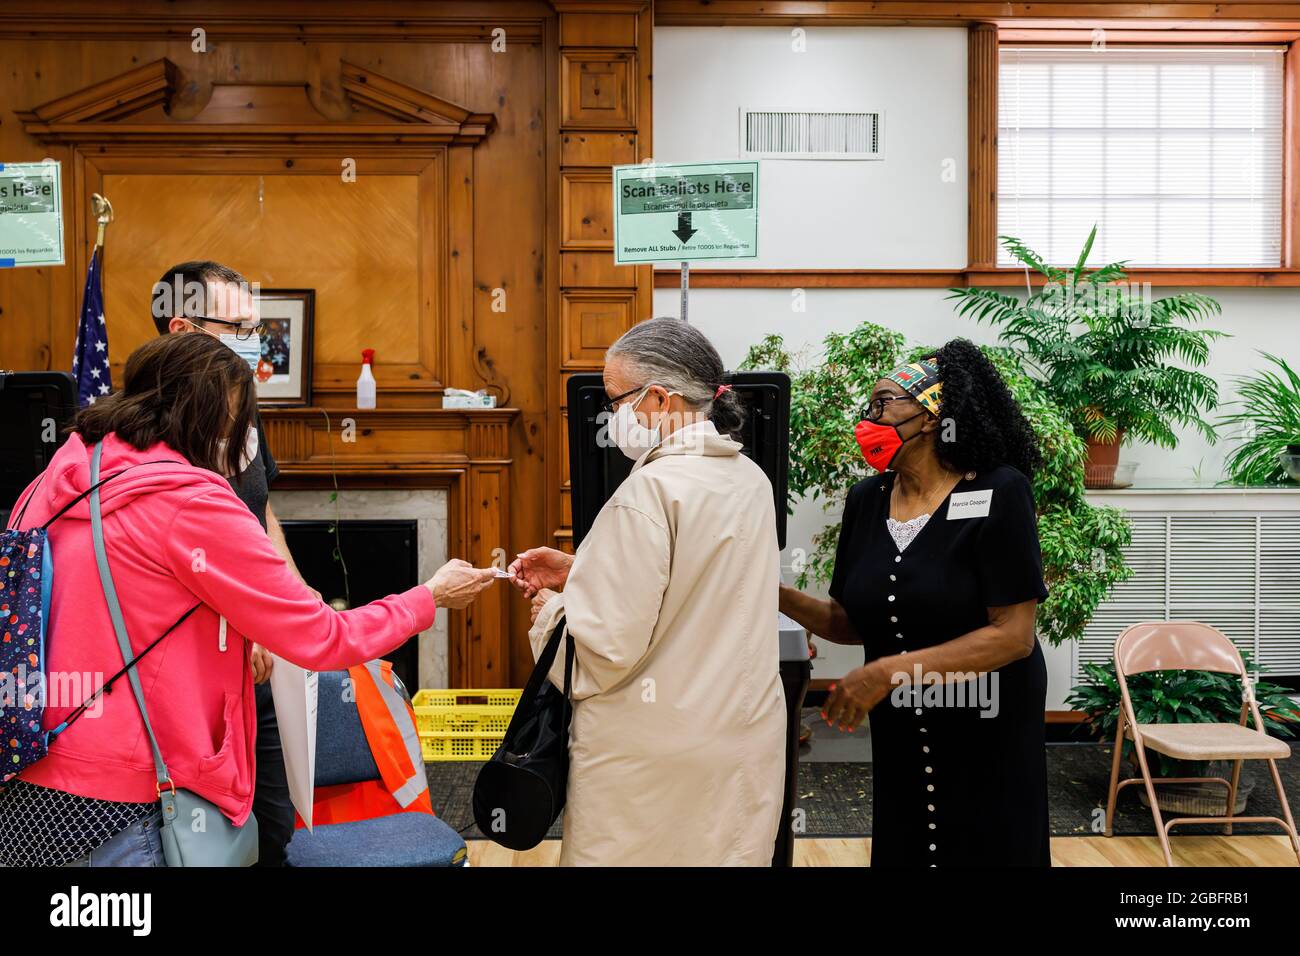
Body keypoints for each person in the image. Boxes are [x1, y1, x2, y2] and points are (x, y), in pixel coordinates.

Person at [0, 332, 496, 866]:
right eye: (241, 420)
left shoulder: (48, 487)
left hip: (31, 783)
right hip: (140, 794)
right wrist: (429, 596)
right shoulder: (191, 503)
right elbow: (325, 636)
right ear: (212, 415)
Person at [508, 316, 785, 867]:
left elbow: (605, 651)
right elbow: (697, 587)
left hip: (654, 752)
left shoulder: (651, 490)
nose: (610, 417)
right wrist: (584, 567)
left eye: (615, 400)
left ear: (659, 399)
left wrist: (552, 609)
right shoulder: (751, 478)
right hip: (741, 735)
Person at [779, 339, 1051, 867]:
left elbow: (1012, 634)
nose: (869, 418)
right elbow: (848, 621)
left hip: (986, 713)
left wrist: (888, 673)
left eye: (884, 404)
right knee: (910, 836)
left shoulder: (998, 491)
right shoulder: (868, 500)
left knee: (986, 842)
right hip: (902, 717)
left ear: (931, 416)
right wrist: (772, 593)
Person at [151, 259, 303, 866]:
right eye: (237, 327)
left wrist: (298, 596)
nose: (252, 341)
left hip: (260, 649)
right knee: (209, 838)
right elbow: (179, 549)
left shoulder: (239, 398)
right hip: (197, 670)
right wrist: (247, 622)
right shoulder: (150, 424)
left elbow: (258, 510)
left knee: (273, 825)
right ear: (185, 329)